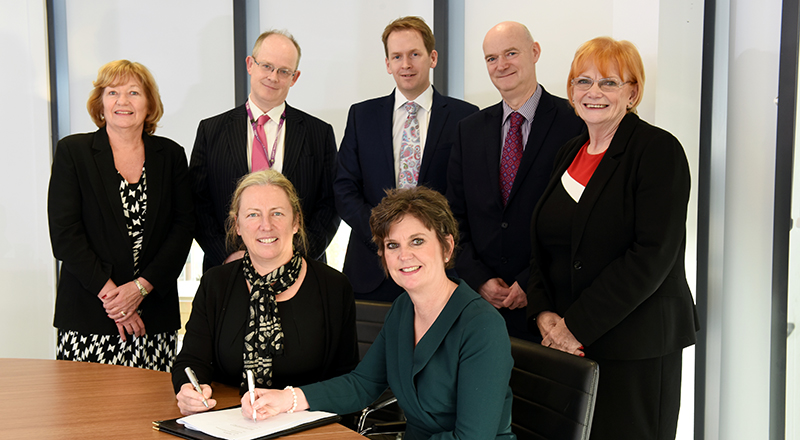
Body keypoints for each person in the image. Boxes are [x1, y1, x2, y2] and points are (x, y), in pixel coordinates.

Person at [526, 37, 699, 440]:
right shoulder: (568, 152)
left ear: (632, 92)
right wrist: (544, 313)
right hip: (568, 343)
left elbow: (651, 257)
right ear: (570, 91)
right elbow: (544, 246)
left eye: (609, 82)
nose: (594, 92)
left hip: (634, 346)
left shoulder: (658, 150)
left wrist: (575, 327)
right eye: (583, 81)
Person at [241, 186, 515, 440]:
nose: (404, 255)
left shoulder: (481, 325)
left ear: (447, 247)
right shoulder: (402, 309)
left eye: (417, 241)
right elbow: (362, 385)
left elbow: (472, 437)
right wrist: (287, 399)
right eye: (392, 245)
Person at [173, 170, 359, 415]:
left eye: (277, 213)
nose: (266, 226)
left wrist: (293, 401)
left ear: (296, 222)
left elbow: (348, 381)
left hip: (307, 422)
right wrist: (188, 390)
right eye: (253, 215)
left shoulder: (334, 287)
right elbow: (190, 361)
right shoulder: (215, 283)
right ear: (237, 225)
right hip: (232, 419)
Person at [47, 60, 194, 371]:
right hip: (89, 314)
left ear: (149, 104)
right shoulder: (73, 152)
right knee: (86, 413)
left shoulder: (170, 155)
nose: (123, 101)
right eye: (113, 92)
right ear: (100, 103)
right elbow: (65, 235)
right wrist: (117, 301)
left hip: (153, 317)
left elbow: (182, 230)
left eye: (134, 93)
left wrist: (140, 289)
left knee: (152, 413)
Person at [446, 21, 584, 341]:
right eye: (492, 58)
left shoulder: (575, 124)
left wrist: (531, 280)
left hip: (550, 306)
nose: (501, 64)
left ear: (534, 52)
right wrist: (478, 278)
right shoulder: (469, 130)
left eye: (511, 53)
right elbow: (451, 217)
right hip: (480, 306)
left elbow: (578, 220)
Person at [334, 16, 478, 302]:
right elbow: (343, 188)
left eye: (414, 54)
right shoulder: (362, 116)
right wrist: (383, 236)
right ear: (388, 64)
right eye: (397, 56)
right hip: (372, 268)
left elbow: (468, 193)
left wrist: (427, 240)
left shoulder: (465, 117)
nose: (406, 64)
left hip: (439, 270)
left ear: (432, 57)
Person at [190, 29, 339, 272]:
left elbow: (330, 203)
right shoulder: (211, 130)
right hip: (228, 270)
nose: (273, 77)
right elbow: (198, 203)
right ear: (250, 64)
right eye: (266, 66)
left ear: (295, 77)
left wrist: (297, 255)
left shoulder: (318, 133)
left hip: (301, 269)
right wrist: (227, 255)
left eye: (283, 71)